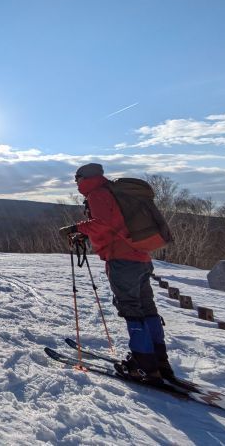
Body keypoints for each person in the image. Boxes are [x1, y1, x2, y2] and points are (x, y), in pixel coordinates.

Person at [59, 163, 175, 383]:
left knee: (131, 309)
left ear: (84, 178)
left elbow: (102, 223)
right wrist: (86, 234)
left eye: (77, 180)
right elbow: (114, 225)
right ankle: (159, 360)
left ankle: (143, 365)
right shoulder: (112, 190)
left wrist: (77, 228)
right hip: (140, 256)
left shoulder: (97, 194)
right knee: (146, 307)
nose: (77, 184)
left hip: (122, 260)